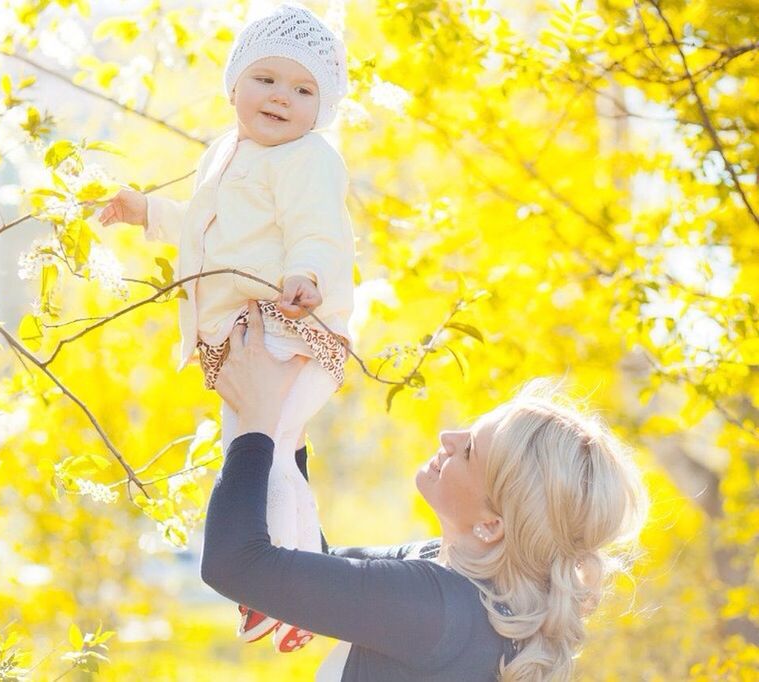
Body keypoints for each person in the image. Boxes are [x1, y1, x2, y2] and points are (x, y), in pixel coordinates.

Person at [201, 301, 650, 681]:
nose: (448, 438)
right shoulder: (467, 590)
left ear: (492, 523)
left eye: (470, 449)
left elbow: (236, 565)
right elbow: (311, 569)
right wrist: (289, 425)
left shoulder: (438, 606)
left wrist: (256, 420)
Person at [99, 4, 353, 652]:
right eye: (266, 79)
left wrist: (307, 278)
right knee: (272, 453)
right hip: (241, 338)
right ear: (234, 84)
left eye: (302, 90)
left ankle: (292, 591)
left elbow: (318, 231)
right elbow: (204, 227)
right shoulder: (224, 153)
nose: (280, 98)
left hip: (287, 326)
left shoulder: (308, 159)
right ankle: (303, 582)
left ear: (320, 110)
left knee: (266, 450)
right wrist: (147, 211)